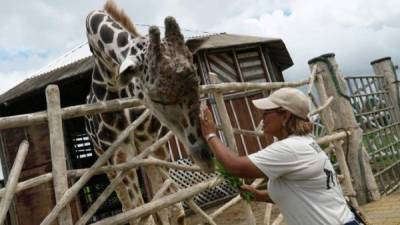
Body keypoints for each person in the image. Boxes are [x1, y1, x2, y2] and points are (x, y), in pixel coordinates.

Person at [200, 87, 363, 225]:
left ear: (285, 116)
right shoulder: (305, 143)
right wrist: (259, 196)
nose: (261, 118)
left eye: (266, 113)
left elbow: (235, 167)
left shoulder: (290, 149)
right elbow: (298, 192)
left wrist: (210, 134)